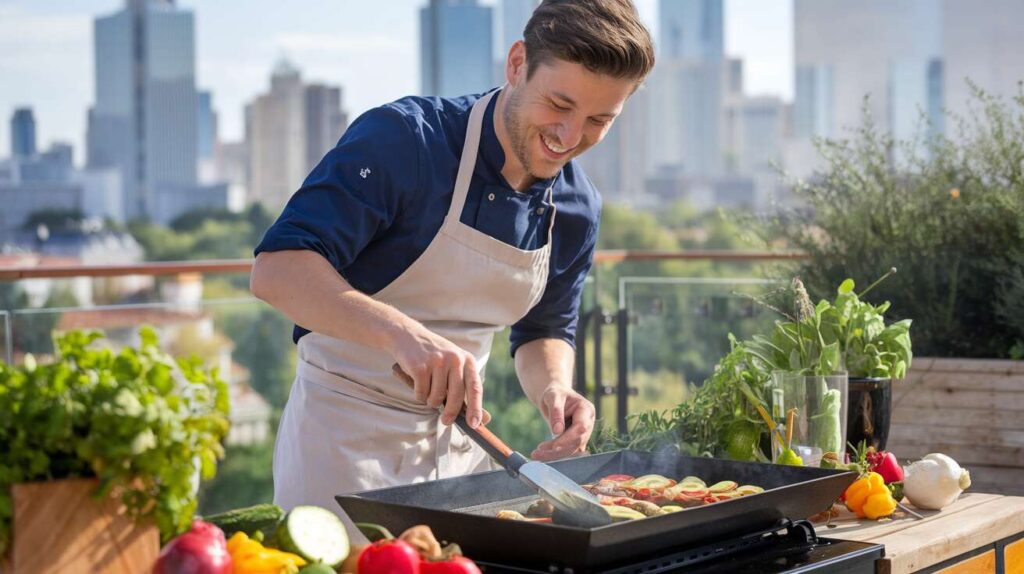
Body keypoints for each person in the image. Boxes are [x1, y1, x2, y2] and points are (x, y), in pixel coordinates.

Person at [250, 0, 655, 513]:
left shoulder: (576, 206)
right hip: (343, 444)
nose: (569, 137)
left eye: (600, 119)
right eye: (558, 104)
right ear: (516, 64)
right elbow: (277, 268)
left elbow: (545, 328)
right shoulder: (406, 141)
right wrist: (405, 335)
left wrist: (555, 388)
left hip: (468, 453)